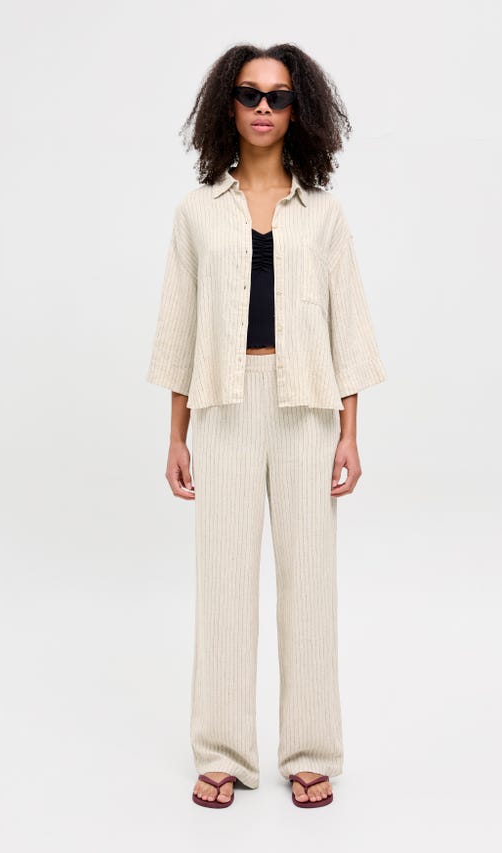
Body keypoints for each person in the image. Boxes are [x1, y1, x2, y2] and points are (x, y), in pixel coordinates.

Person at [146, 43, 387, 809]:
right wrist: (176, 435)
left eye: (277, 97)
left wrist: (350, 434)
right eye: (249, 94)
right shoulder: (196, 213)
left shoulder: (324, 215)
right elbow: (178, 329)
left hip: (308, 406)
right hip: (222, 404)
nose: (262, 108)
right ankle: (222, 751)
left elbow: (349, 328)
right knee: (223, 583)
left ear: (297, 110)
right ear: (228, 104)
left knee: (310, 584)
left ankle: (311, 750)